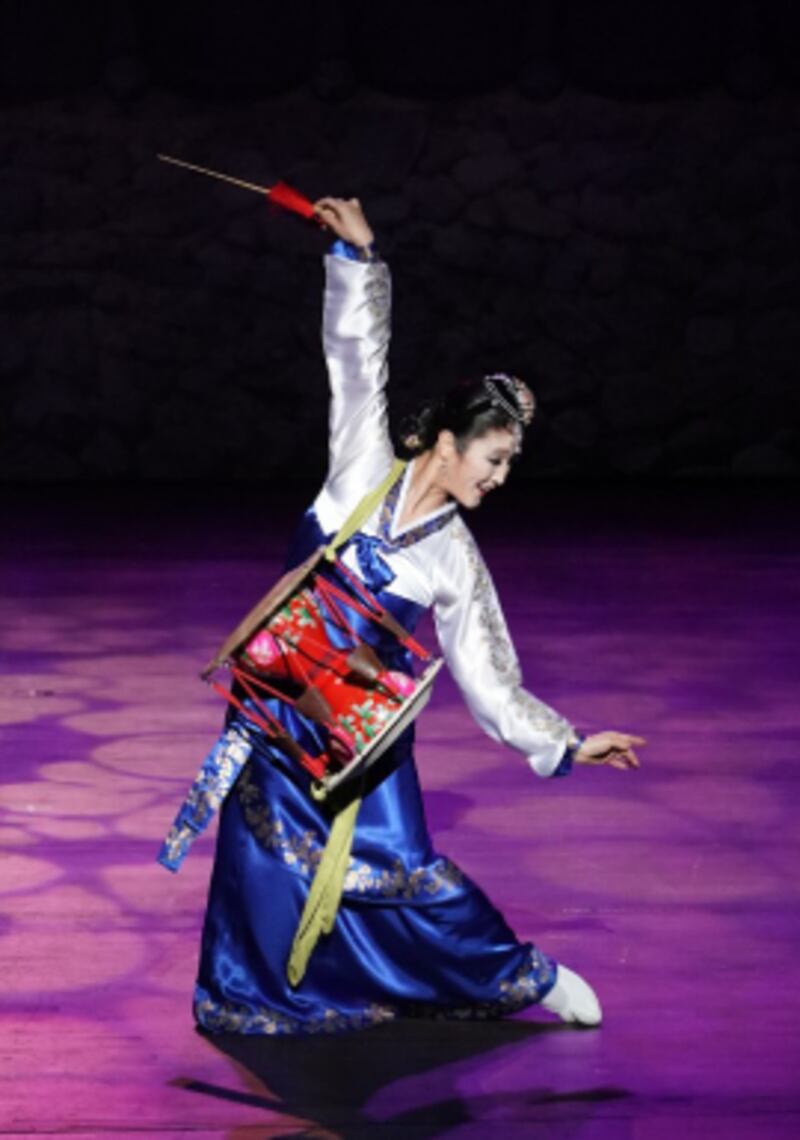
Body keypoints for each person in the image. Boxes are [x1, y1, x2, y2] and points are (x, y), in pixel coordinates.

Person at [187, 197, 645, 1036]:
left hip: (364, 737)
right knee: (264, 863)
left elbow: (490, 678)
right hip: (282, 707)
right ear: (446, 443)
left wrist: (568, 742)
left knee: (406, 874)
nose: (501, 477)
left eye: (509, 464)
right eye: (494, 458)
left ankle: (523, 977)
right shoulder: (362, 466)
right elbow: (356, 359)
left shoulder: (453, 558)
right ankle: (254, 997)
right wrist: (358, 261)